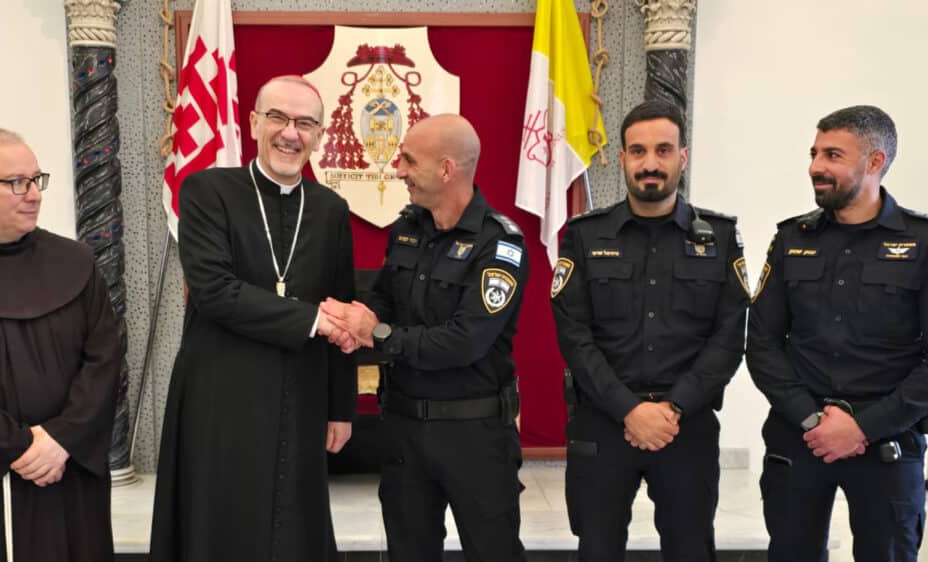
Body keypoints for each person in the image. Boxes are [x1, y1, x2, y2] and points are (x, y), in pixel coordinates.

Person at [149, 75, 358, 562]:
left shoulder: (330, 209)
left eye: (306, 123)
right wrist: (313, 321)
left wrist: (340, 407)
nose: (291, 133)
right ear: (254, 123)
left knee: (294, 522)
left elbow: (341, 304)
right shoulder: (207, 190)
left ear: (320, 134)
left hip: (300, 391)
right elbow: (215, 291)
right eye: (279, 118)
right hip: (222, 392)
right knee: (221, 521)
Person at [321, 113, 529, 562]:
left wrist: (373, 333)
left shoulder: (501, 245)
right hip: (403, 431)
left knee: (493, 552)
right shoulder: (407, 229)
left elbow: (464, 341)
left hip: (473, 434)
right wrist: (354, 322)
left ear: (446, 169)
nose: (397, 169)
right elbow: (385, 300)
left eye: (409, 161)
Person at [550, 100, 749, 562]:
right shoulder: (585, 236)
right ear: (621, 158)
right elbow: (574, 337)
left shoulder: (719, 239)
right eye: (637, 151)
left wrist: (673, 407)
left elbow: (728, 339)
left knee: (691, 549)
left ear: (683, 156)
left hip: (687, 426)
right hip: (602, 423)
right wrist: (629, 409)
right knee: (597, 550)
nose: (650, 163)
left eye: (663, 150)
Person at [0, 128, 121, 561]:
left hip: (66, 469)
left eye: (37, 179)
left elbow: (104, 361)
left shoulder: (74, 262)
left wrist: (61, 438)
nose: (33, 194)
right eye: (17, 182)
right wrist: (16, 447)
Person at [746, 105, 928, 562]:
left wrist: (862, 428)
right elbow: (763, 344)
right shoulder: (791, 239)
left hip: (887, 441)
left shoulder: (921, 243)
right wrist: (813, 421)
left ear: (874, 162)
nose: (815, 167)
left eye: (832, 155)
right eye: (814, 153)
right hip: (800, 438)